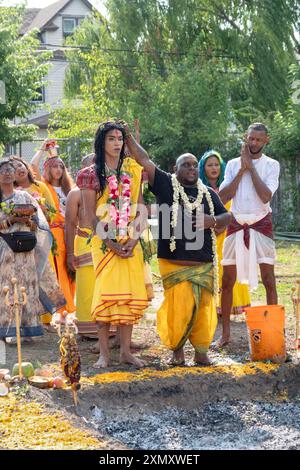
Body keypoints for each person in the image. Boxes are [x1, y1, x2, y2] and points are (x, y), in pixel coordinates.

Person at [125, 130, 231, 366]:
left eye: (194, 165)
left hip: (203, 263)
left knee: (203, 309)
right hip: (173, 262)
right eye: (186, 165)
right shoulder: (166, 185)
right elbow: (145, 161)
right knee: (178, 309)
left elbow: (228, 216)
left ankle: (202, 352)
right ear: (176, 168)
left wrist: (211, 221)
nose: (192, 169)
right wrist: (129, 139)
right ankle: (178, 350)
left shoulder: (208, 193)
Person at [76, 121, 150, 369]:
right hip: (104, 243)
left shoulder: (132, 170)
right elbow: (89, 216)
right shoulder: (90, 173)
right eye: (112, 138)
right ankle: (104, 354)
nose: (117, 143)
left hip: (130, 241)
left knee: (128, 295)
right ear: (101, 142)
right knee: (105, 294)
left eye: (120, 138)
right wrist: (111, 243)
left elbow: (141, 208)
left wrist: (134, 238)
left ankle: (126, 352)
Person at [218, 123, 280, 346]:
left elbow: (265, 197)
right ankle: (225, 335)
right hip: (236, 223)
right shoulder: (234, 164)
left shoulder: (272, 165)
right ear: (245, 138)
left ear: (266, 141)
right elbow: (223, 197)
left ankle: (273, 331)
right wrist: (242, 169)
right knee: (227, 280)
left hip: (261, 224)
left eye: (258, 140)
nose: (254, 143)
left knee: (269, 280)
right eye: (251, 139)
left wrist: (251, 169)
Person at [0, 160, 64, 341]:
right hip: (4, 251)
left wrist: (28, 220)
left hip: (26, 250)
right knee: (5, 289)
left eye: (10, 170)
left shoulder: (25, 197)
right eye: (3, 170)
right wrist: (11, 220)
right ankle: (6, 330)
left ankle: (27, 330)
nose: (7, 173)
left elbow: (39, 223)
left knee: (26, 287)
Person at [199, 150, 250, 315]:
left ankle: (229, 306)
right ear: (203, 168)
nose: (214, 168)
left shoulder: (228, 187)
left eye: (216, 165)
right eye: (209, 165)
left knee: (229, 270)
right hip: (209, 235)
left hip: (230, 233)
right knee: (213, 269)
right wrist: (214, 226)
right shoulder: (200, 189)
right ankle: (213, 307)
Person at [30, 140, 76, 313]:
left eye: (61, 167)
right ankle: (58, 308)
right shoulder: (43, 186)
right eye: (55, 166)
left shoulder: (70, 188)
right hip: (54, 232)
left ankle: (70, 306)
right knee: (55, 270)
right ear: (48, 168)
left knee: (70, 269)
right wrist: (42, 148)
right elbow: (32, 166)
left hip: (70, 232)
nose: (58, 170)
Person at [65, 153, 98, 338]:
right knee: (86, 286)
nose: (93, 168)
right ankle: (88, 328)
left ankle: (112, 329)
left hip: (106, 242)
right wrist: (70, 254)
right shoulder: (75, 193)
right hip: (84, 242)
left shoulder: (107, 189)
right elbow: (69, 223)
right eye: (90, 165)